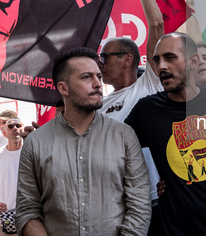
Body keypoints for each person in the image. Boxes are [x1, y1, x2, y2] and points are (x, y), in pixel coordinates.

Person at [125, 33, 206, 236]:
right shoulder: (147, 110)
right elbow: (116, 154)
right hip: (175, 229)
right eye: (157, 60)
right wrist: (146, 186)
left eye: (170, 57)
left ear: (193, 61)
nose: (161, 67)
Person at [16, 47, 151, 236]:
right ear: (63, 88)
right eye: (87, 77)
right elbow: (27, 209)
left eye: (98, 76)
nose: (97, 84)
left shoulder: (124, 135)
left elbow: (140, 203)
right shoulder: (35, 142)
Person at [97, 0, 164, 207]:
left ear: (127, 60)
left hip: (159, 200)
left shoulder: (151, 82)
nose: (99, 64)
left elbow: (156, 24)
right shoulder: (98, 107)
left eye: (104, 58)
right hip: (121, 206)